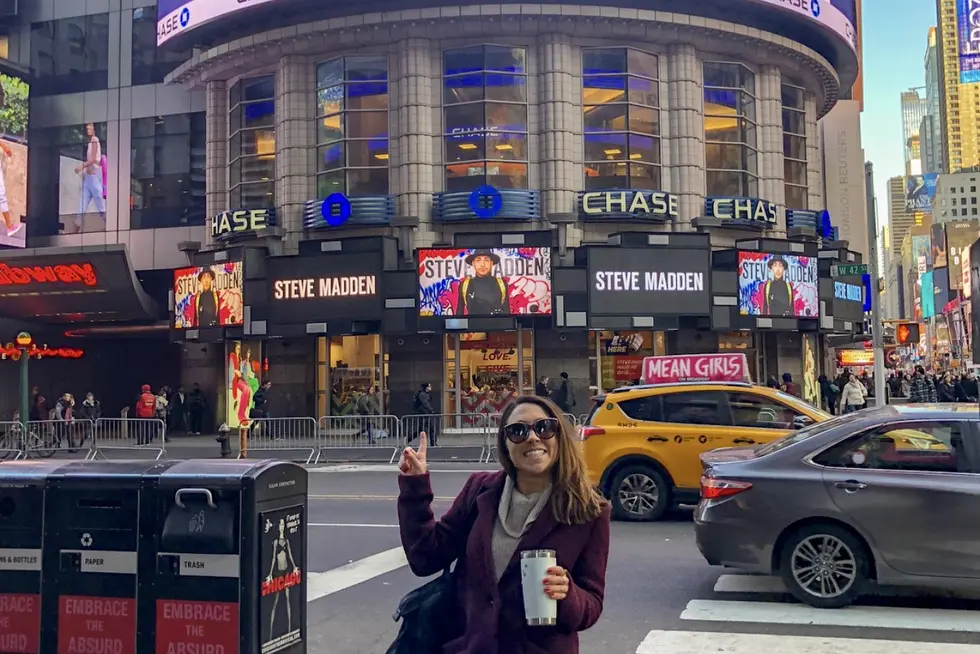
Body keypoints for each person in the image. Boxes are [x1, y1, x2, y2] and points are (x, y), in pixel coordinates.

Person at [396, 395, 611, 653]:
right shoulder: (479, 491)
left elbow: (592, 603)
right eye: (518, 431)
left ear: (559, 436)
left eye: (544, 427)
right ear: (505, 445)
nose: (532, 437)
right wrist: (415, 486)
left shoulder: (590, 511)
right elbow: (425, 557)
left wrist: (568, 593)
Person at [73, 122, 106, 231]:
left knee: (102, 209)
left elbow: (92, 159)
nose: (88, 127)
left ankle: (114, 229)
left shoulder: (95, 140)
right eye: (87, 126)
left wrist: (81, 166)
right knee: (81, 209)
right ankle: (73, 233)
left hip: (94, 179)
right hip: (88, 179)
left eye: (90, 126)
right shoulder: (90, 142)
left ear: (94, 128)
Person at [457, 249, 508, 316]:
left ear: (491, 263)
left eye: (486, 260)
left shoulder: (501, 284)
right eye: (478, 260)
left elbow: (507, 315)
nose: (482, 264)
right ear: (473, 263)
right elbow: (459, 315)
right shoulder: (465, 285)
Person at [411, 383, 437, 447]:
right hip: (424, 414)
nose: (430, 387)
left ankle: (433, 443)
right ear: (426, 387)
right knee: (422, 429)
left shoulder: (426, 394)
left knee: (431, 429)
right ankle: (409, 439)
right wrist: (431, 410)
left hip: (426, 414)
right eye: (429, 386)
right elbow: (425, 403)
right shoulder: (422, 394)